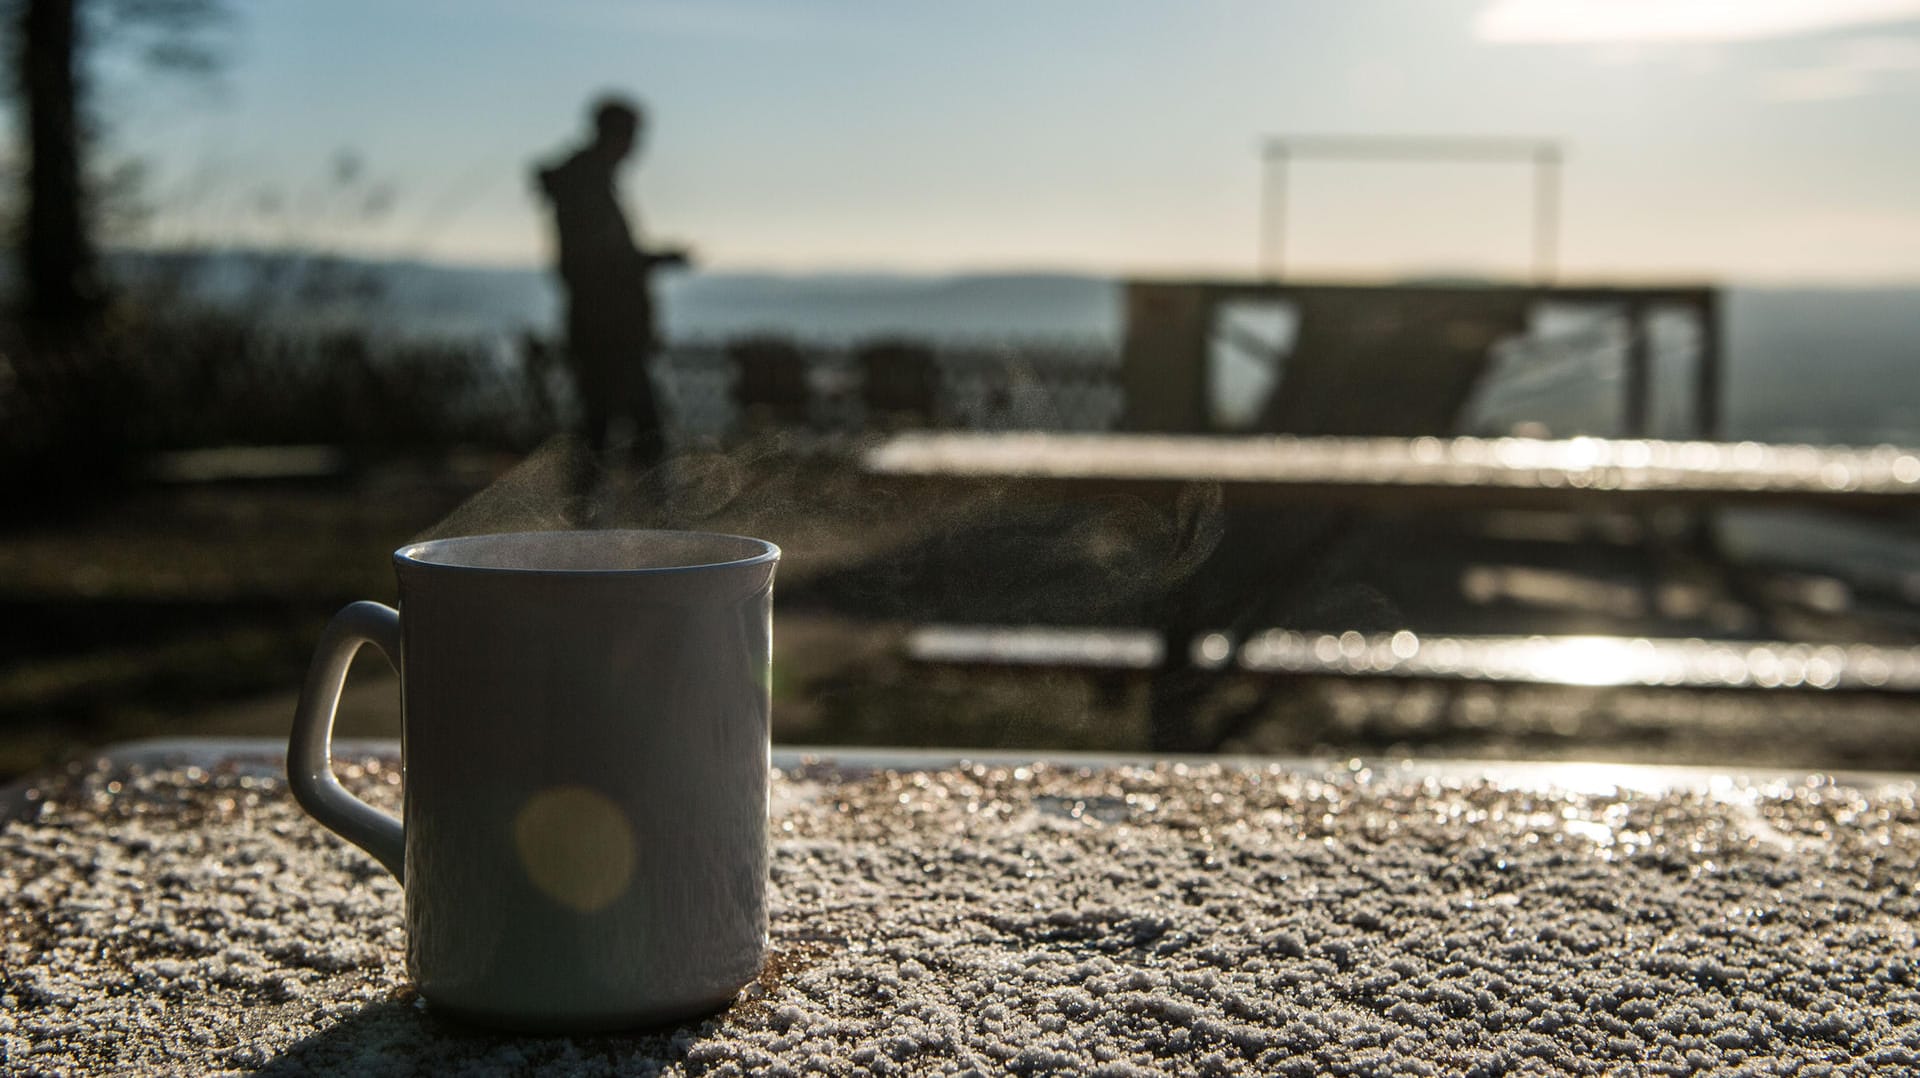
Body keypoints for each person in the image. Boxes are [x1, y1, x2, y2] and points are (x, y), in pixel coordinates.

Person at [533, 94, 688, 514]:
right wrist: (654, 259)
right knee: (633, 423)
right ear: (616, 135)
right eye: (633, 136)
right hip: (608, 330)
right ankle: (653, 515)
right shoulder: (588, 186)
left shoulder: (587, 183)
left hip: (603, 328)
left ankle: (603, 512)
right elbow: (600, 263)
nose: (637, 148)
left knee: (604, 423)